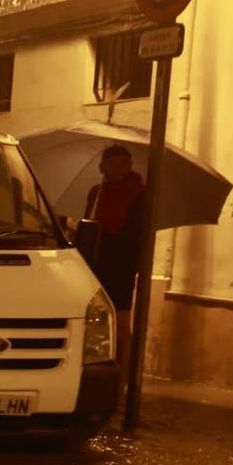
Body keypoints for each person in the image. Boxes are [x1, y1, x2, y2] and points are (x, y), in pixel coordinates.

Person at [83, 144, 146, 354]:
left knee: (120, 320)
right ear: (102, 167)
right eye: (111, 164)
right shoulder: (96, 192)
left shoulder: (140, 193)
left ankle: (121, 379)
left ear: (130, 165)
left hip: (122, 263)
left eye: (122, 163)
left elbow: (137, 231)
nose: (117, 168)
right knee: (95, 321)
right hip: (95, 262)